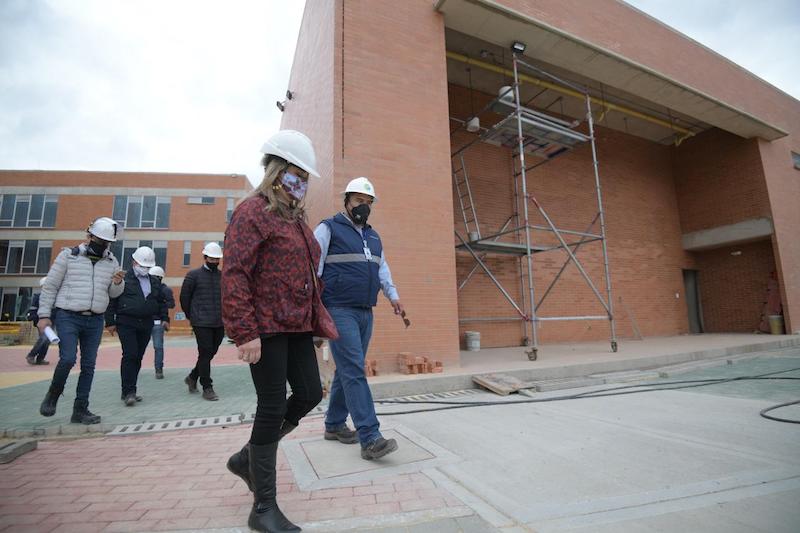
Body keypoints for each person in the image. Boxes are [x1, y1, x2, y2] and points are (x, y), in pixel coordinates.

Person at [223, 130, 325, 532]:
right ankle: (263, 507)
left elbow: (308, 274)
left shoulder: (295, 218)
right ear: (278, 171)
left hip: (296, 325)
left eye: (305, 176)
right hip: (264, 327)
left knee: (310, 393)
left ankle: (248, 458)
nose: (302, 182)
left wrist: (315, 320)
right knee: (271, 405)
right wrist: (244, 331)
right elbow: (234, 274)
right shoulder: (253, 212)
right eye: (297, 173)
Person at [315, 177, 404, 460]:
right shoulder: (328, 228)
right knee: (354, 370)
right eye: (358, 201)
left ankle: (333, 424)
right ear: (346, 201)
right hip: (338, 309)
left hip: (366, 311)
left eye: (368, 203)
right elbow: (312, 269)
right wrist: (314, 313)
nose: (363, 207)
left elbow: (382, 269)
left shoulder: (374, 237)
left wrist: (393, 296)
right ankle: (370, 436)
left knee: (346, 370)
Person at [37, 216, 125, 424]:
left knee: (89, 365)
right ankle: (53, 394)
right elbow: (50, 286)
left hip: (95, 320)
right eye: (100, 240)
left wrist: (118, 283)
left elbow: (113, 293)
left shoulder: (111, 262)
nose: (103, 245)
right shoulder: (69, 256)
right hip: (68, 315)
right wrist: (44, 315)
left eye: (107, 242)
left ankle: (80, 410)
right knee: (67, 359)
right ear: (90, 236)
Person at [106, 246, 170, 406]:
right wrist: (110, 322)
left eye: (147, 267)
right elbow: (111, 300)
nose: (145, 269)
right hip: (126, 322)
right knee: (130, 355)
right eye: (142, 266)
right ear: (134, 262)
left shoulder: (154, 281)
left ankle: (131, 389)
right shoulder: (123, 280)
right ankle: (128, 392)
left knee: (138, 357)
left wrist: (165, 318)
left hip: (146, 323)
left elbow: (161, 302)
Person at [180, 242, 224, 401]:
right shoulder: (193, 275)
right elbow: (184, 298)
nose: (214, 262)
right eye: (211, 259)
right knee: (205, 352)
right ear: (205, 257)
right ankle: (207, 386)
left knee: (211, 352)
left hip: (219, 322)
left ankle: (192, 377)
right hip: (201, 322)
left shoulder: (222, 276)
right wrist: (192, 316)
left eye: (217, 259)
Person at [148, 266, 175, 379]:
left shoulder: (146, 288)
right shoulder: (165, 289)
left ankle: (158, 369)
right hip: (156, 322)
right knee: (158, 347)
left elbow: (170, 304)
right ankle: (158, 370)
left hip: (149, 321)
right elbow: (171, 305)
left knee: (140, 347)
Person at [25, 277, 52, 365]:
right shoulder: (38, 297)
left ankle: (40, 359)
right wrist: (36, 321)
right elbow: (33, 310)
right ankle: (31, 355)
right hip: (40, 321)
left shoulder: (54, 297)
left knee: (47, 340)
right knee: (44, 338)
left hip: (51, 321)